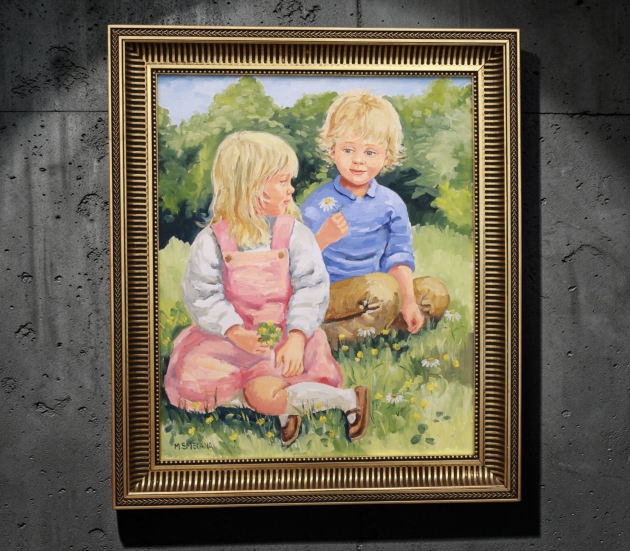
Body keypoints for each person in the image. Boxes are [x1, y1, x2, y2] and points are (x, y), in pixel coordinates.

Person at [164, 131, 369, 447]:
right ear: (251, 188)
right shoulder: (212, 240)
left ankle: (347, 400)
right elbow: (202, 294)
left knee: (262, 394)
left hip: (282, 339)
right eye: (282, 182)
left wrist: (297, 337)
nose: (291, 189)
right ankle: (289, 405)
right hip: (228, 341)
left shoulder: (294, 234)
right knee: (196, 381)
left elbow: (311, 286)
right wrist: (235, 331)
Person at [301, 89, 450, 344]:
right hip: (329, 295)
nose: (358, 160)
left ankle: (383, 325)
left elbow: (398, 257)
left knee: (434, 293)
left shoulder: (391, 203)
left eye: (370, 152)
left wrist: (409, 301)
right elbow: (296, 261)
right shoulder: (319, 203)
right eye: (349, 149)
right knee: (384, 290)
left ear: (386, 157)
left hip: (379, 293)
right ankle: (324, 337)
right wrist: (324, 238)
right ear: (333, 150)